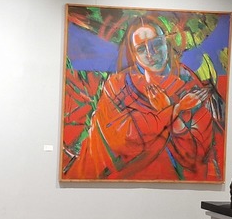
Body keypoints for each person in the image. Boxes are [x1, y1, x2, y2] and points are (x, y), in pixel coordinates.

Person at [64, 18, 219, 181]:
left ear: (167, 43)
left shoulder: (189, 84)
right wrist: (174, 111)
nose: (151, 54)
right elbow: (121, 141)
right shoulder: (117, 84)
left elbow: (195, 157)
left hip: (171, 183)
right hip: (119, 180)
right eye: (141, 49)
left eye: (156, 44)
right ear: (134, 54)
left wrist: (171, 114)